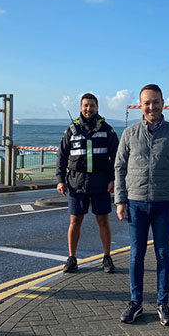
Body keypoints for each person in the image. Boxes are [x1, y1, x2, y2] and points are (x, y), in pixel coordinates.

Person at [114, 84, 169, 326]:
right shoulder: (129, 134)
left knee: (163, 254)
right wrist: (120, 200)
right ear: (140, 105)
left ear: (163, 103)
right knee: (136, 255)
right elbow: (119, 168)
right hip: (135, 203)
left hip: (164, 204)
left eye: (155, 102)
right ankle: (135, 303)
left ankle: (162, 304)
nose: (151, 106)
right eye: (147, 102)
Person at [56, 93, 120, 273]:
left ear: (97, 108)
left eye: (92, 106)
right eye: (85, 105)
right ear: (80, 107)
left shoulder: (106, 129)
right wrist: (60, 180)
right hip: (76, 183)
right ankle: (72, 258)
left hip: (100, 183)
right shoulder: (71, 130)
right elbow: (62, 156)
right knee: (75, 221)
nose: (88, 109)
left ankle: (107, 258)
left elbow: (116, 157)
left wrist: (114, 179)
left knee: (103, 220)